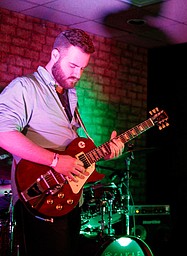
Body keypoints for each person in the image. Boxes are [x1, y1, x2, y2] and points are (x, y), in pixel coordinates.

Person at [0, 29, 124, 256]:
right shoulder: (25, 87)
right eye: (73, 66)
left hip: (69, 199)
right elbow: (2, 133)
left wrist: (104, 152)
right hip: (39, 196)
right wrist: (55, 161)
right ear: (55, 55)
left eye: (83, 68)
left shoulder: (70, 95)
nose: (78, 74)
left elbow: (72, 150)